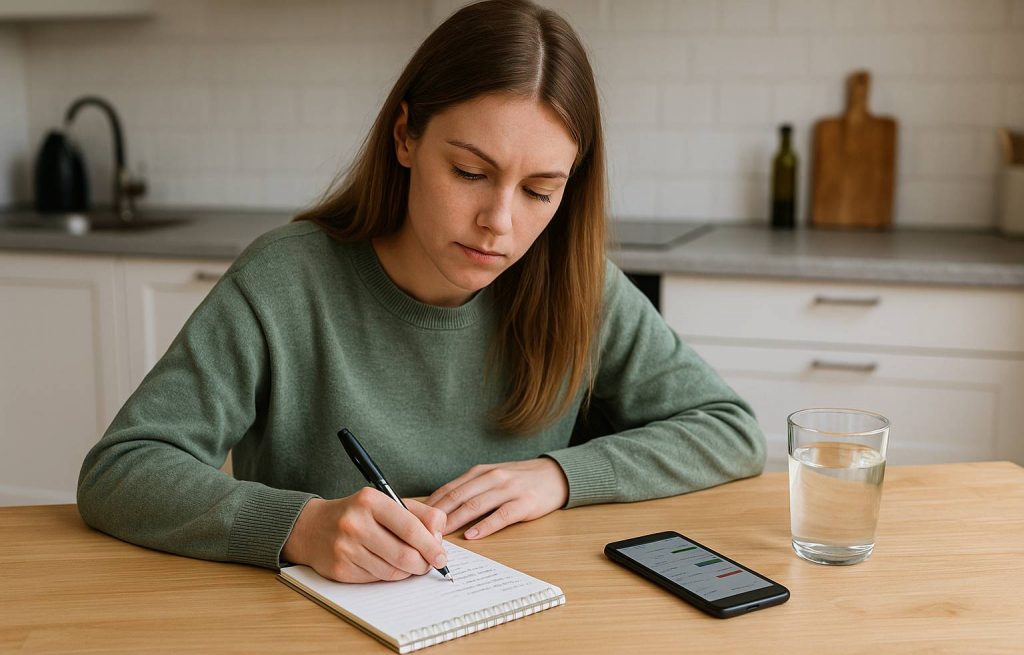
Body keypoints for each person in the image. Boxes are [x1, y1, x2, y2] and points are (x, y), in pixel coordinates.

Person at [77, 0, 765, 584]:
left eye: (538, 191)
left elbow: (729, 429)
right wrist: (300, 525)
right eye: (470, 171)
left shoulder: (577, 285)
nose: (500, 222)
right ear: (406, 136)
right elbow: (122, 469)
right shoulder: (285, 281)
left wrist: (559, 475)